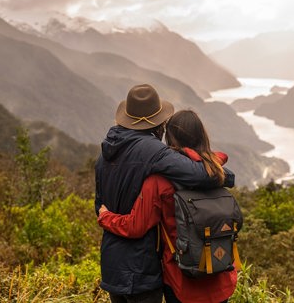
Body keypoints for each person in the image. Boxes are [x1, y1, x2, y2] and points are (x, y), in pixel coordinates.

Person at [95, 85, 234, 303]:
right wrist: (224, 175)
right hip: (204, 273)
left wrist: (105, 217)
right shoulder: (153, 154)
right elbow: (199, 173)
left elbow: (103, 207)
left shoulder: (104, 157)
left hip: (115, 264)